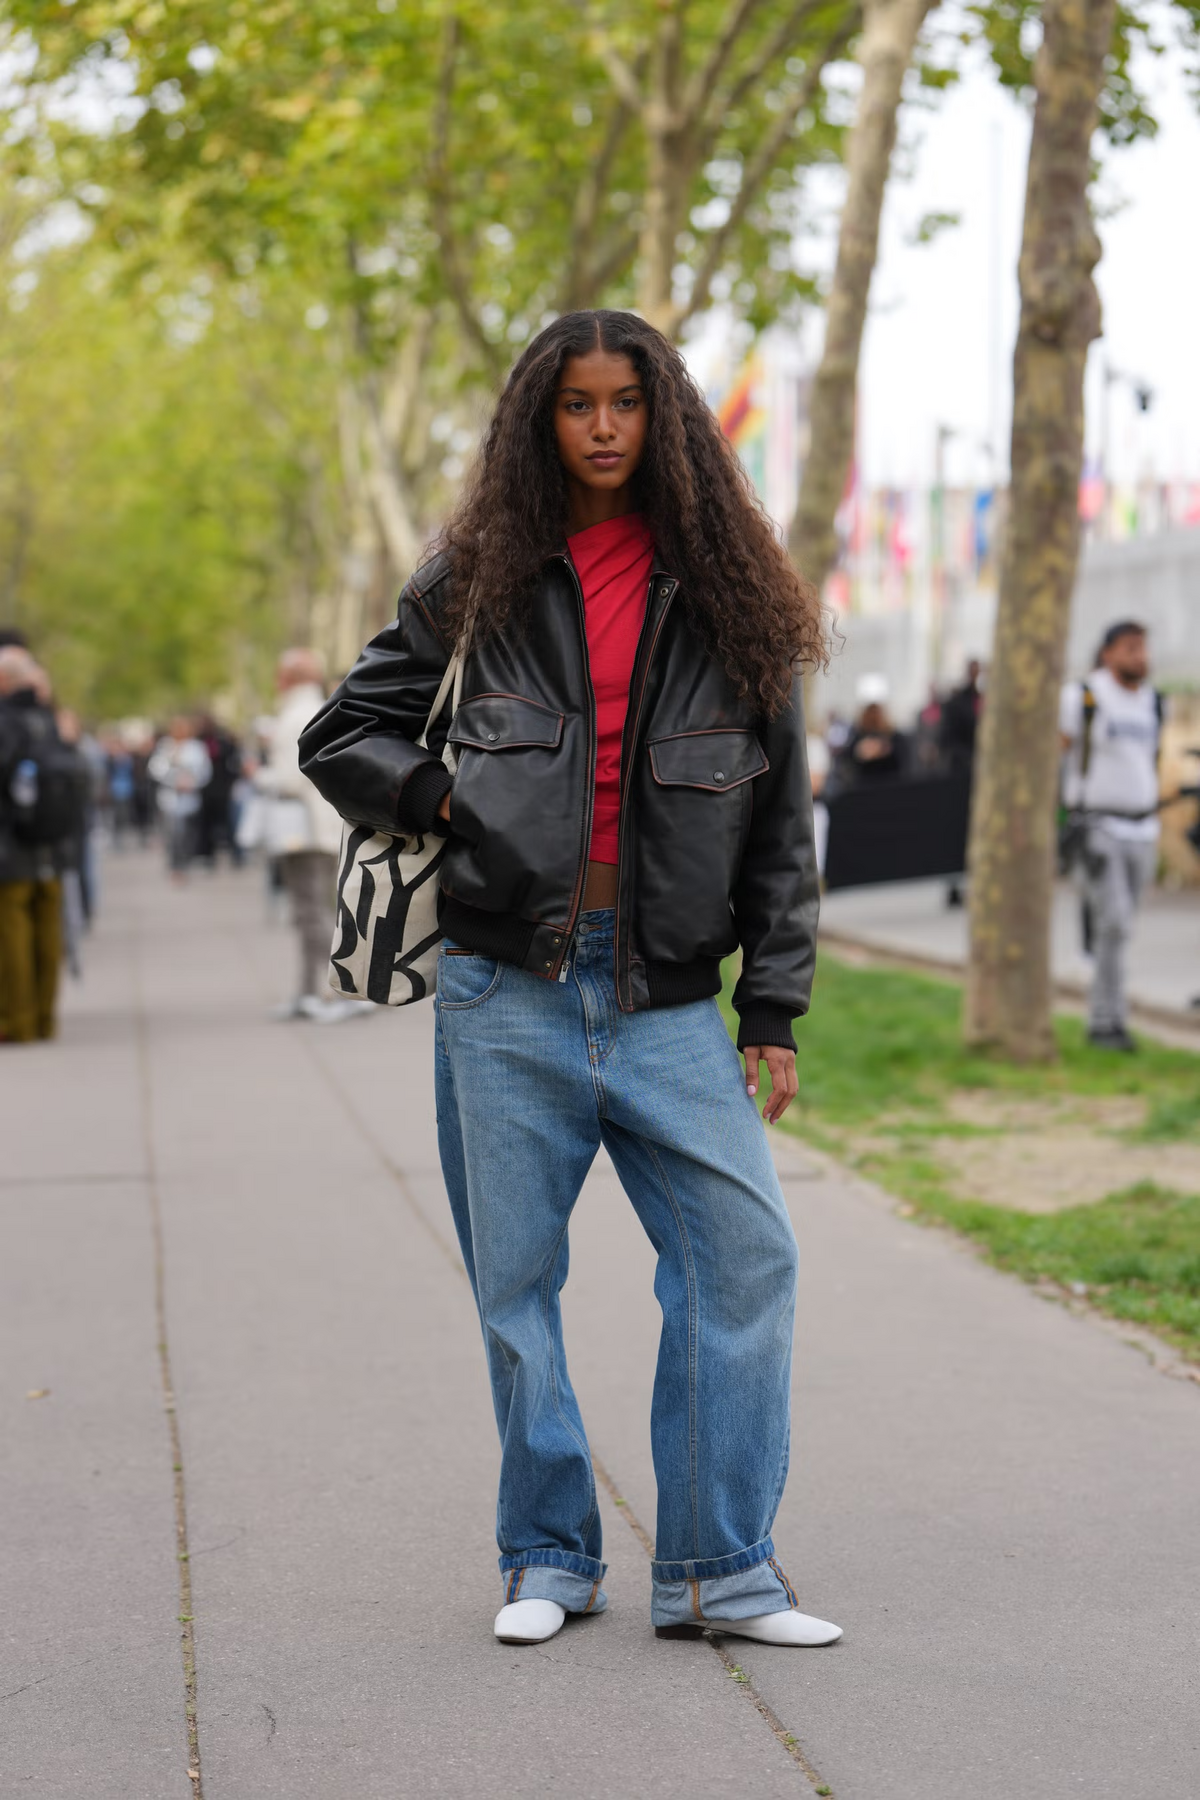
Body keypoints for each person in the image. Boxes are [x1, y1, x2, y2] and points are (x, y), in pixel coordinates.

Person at [300, 309, 841, 1652]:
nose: (604, 426)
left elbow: (779, 828)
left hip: (669, 1001)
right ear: (541, 420)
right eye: (578, 403)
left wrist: (772, 1006)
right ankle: (548, 1555)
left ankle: (720, 1573)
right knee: (515, 1287)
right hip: (504, 990)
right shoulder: (475, 577)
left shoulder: (730, 587)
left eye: (627, 402)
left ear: (667, 419)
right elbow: (343, 733)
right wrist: (449, 798)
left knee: (744, 1261)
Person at [1060, 621, 1161, 1051]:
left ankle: (1111, 1016)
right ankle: (1104, 1023)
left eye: (1143, 648)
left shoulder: (1152, 700)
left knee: (1120, 928)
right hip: (1098, 827)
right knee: (1113, 923)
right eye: (1130, 648)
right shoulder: (1084, 696)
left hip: (1143, 828)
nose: (1140, 656)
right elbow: (1056, 752)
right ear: (1108, 653)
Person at [255, 649, 365, 1024]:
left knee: (310, 914)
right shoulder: (321, 708)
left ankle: (345, 994)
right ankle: (308, 993)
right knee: (316, 912)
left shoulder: (292, 717)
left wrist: (260, 776)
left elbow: (291, 778)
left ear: (288, 678)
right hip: (323, 826)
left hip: (303, 831)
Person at [0, 647, 79, 1042]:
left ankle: (17, 1022)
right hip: (54, 842)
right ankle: (46, 1019)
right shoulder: (50, 719)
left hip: (12, 845)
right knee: (48, 930)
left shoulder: (6, 720)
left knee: (12, 933)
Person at [148, 716, 212, 881]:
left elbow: (205, 771)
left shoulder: (196, 747)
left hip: (189, 797)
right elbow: (155, 769)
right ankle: (175, 865)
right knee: (173, 834)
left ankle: (184, 864)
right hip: (170, 798)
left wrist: (192, 782)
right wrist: (174, 779)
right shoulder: (166, 746)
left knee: (187, 835)